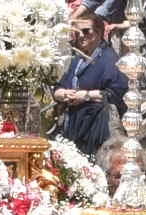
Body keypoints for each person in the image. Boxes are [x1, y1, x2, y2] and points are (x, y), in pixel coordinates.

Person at [53, 10, 128, 156]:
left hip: (98, 128)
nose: (81, 35)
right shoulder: (76, 60)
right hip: (74, 126)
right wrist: (63, 94)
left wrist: (85, 95)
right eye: (77, 32)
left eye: (86, 31)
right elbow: (58, 87)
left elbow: (117, 92)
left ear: (99, 32)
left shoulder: (110, 59)